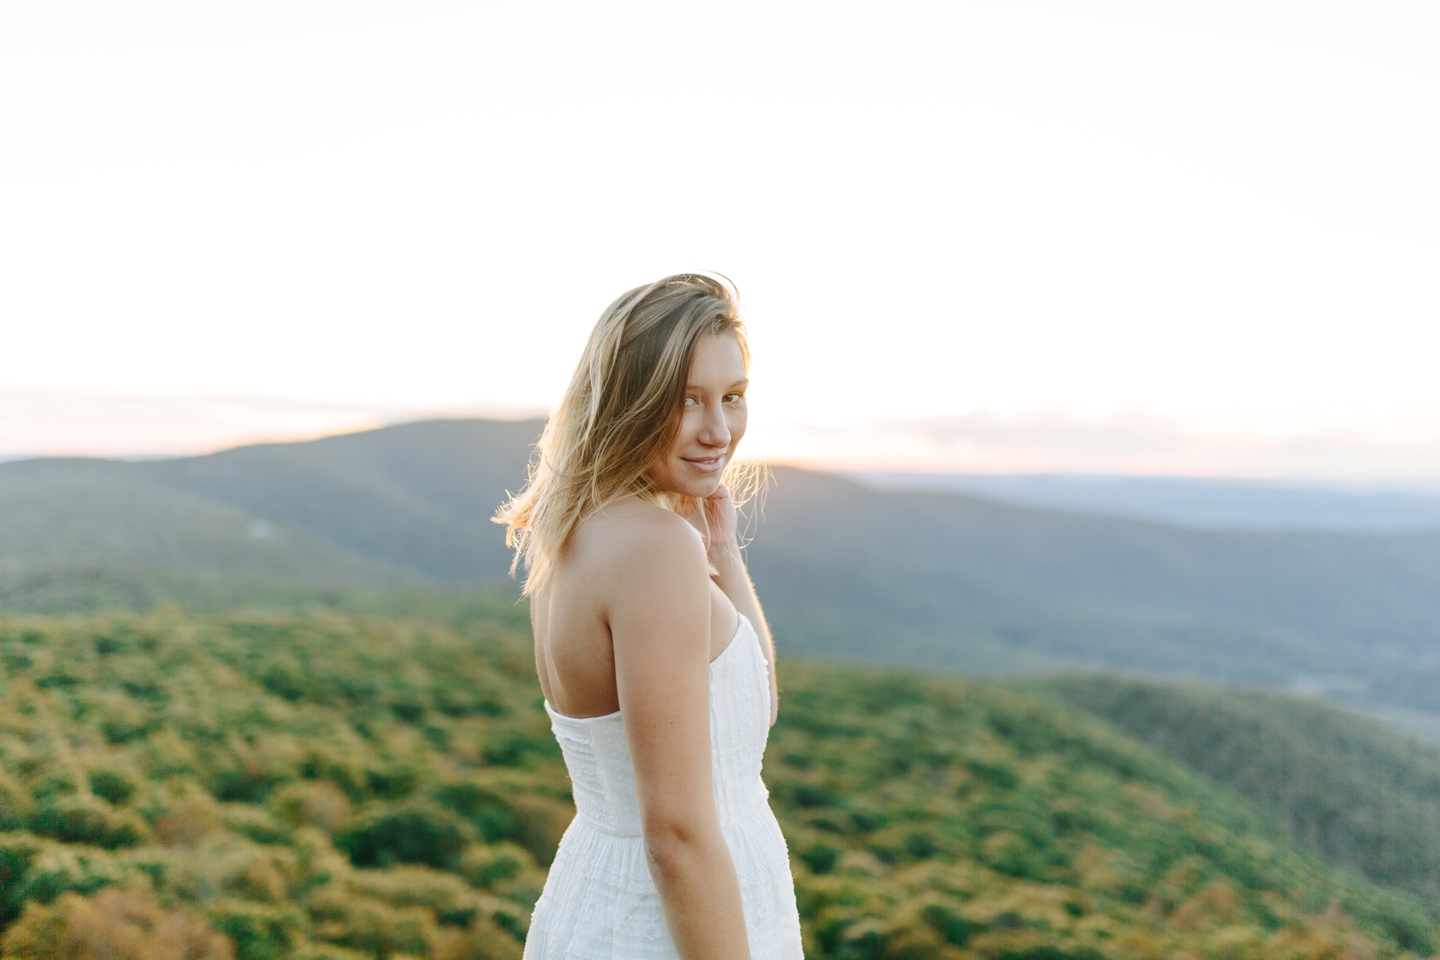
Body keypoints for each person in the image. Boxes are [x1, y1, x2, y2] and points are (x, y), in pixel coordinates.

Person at [495, 274, 803, 960]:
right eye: (685, 400)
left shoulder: (580, 531)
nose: (718, 430)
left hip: (604, 901)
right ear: (631, 401)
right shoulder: (656, 552)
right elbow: (677, 836)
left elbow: (750, 713)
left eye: (733, 398)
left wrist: (721, 548)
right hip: (667, 928)